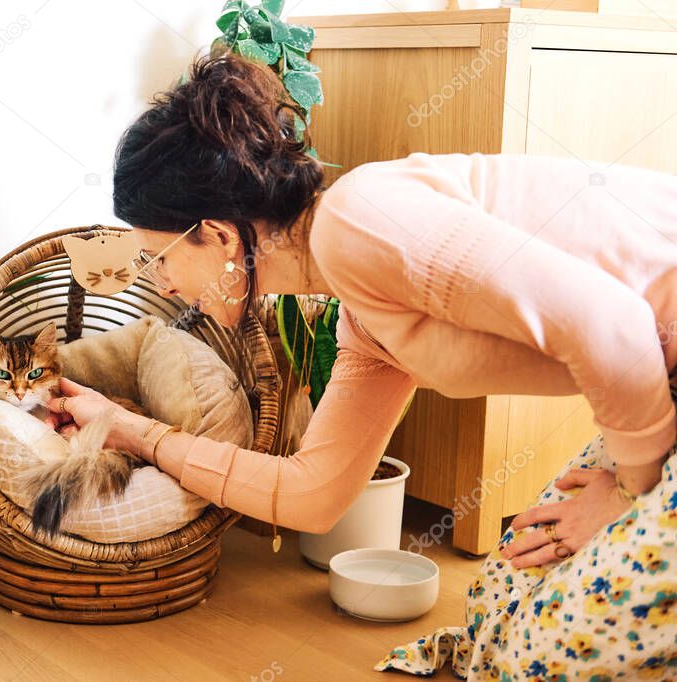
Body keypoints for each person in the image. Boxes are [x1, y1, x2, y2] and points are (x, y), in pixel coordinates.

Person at [44, 51, 677, 673]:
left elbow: (613, 323)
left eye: (159, 257)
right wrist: (132, 431)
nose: (164, 285)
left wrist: (629, 489)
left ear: (218, 234)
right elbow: (312, 496)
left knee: (568, 647)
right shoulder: (362, 318)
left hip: (654, 364)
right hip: (661, 385)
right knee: (506, 603)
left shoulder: (358, 220)